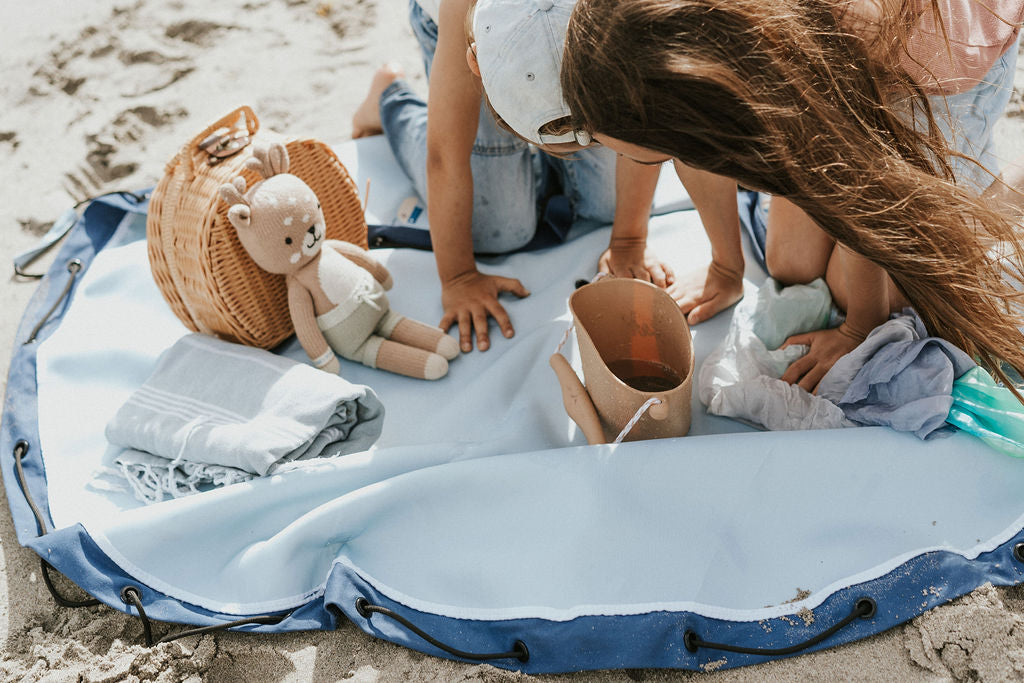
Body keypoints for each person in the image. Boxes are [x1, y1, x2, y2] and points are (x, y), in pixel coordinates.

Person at [559, 0, 1024, 393]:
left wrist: (859, 328)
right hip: (855, 70)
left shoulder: (835, 41)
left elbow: (865, 194)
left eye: (660, 158)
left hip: (947, 56)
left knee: (870, 296)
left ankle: (1002, 190)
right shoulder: (688, 42)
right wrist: (721, 265)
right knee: (792, 265)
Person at [351, 0, 677, 355]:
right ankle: (390, 96)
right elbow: (446, 156)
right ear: (478, 63)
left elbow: (641, 118)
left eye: (589, 134)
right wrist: (458, 277)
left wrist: (628, 239)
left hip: (578, 37)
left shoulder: (623, 14)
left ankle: (547, 156)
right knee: (498, 230)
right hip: (459, 28)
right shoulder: (465, 18)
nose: (584, 142)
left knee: (607, 204)